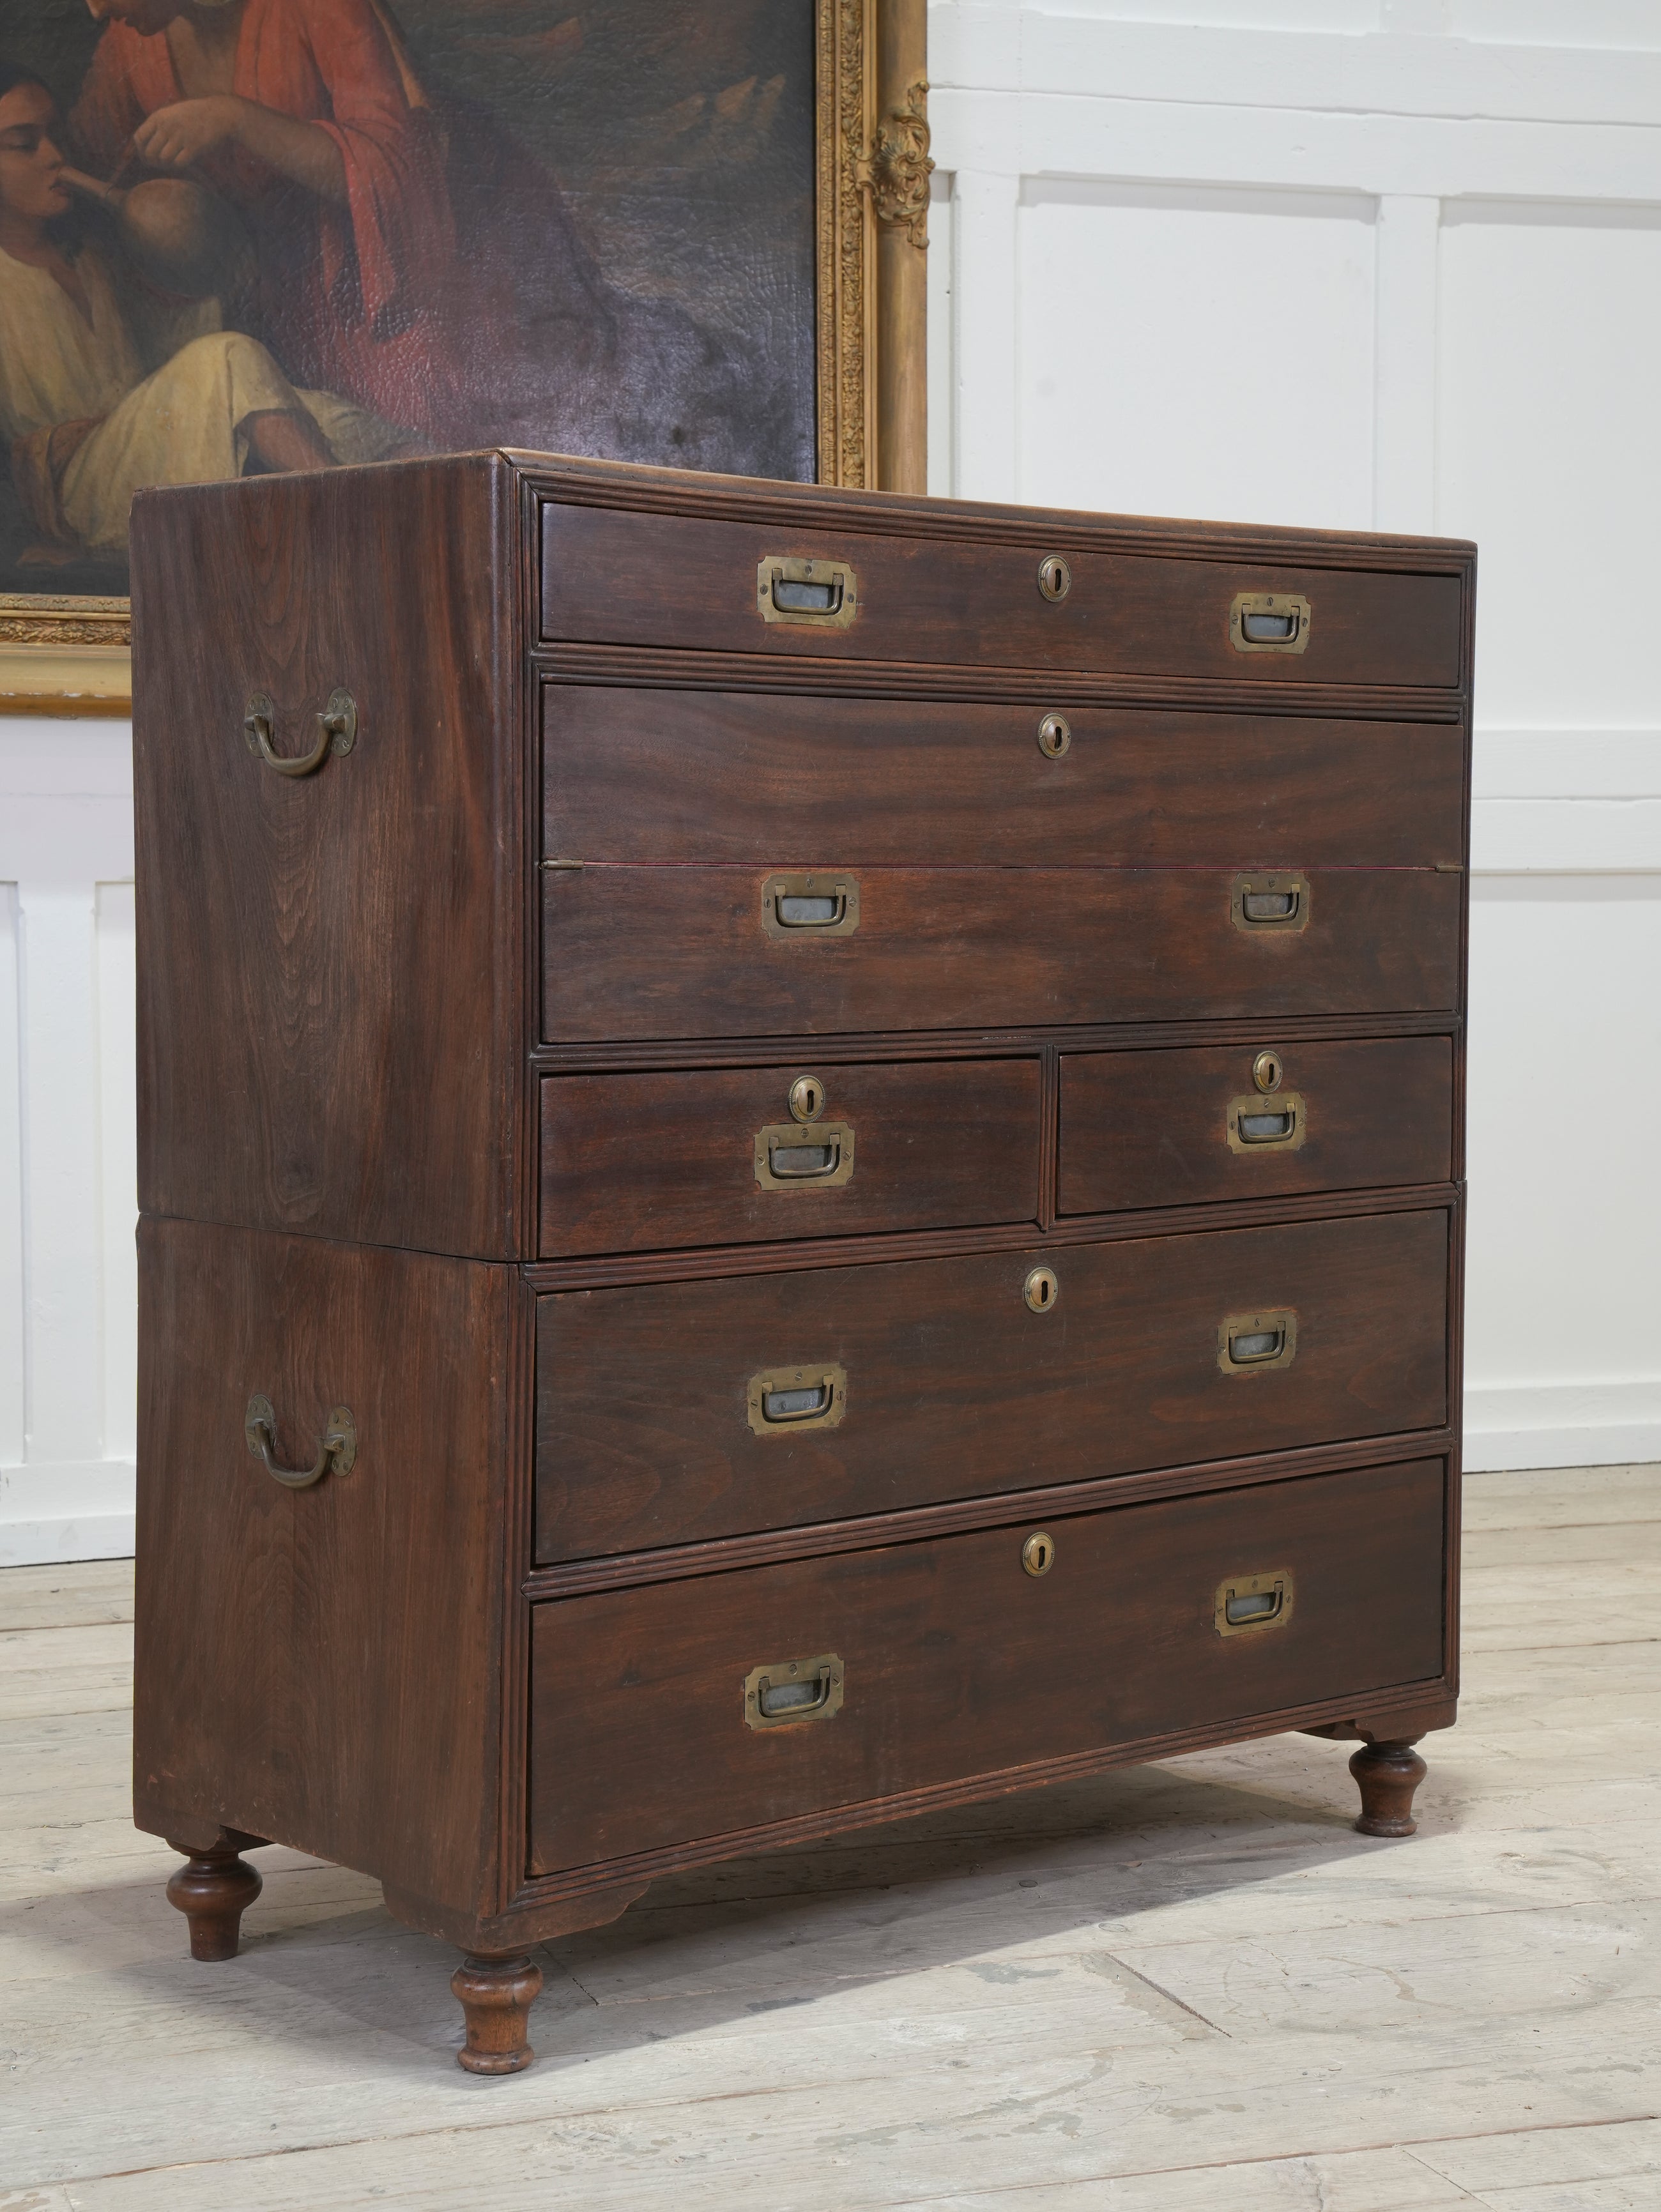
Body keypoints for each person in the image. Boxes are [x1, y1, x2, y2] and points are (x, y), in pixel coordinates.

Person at [0, 63, 408, 558]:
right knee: (230, 357)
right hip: (79, 490)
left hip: (143, 444)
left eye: (55, 136)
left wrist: (213, 271)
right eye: (24, 144)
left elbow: (164, 361)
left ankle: (423, 489)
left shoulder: (91, 259)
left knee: (317, 411)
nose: (55, 156)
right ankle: (362, 528)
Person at [71, 0, 465, 444]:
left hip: (361, 294)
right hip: (245, 312)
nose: (96, 10)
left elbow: (393, 167)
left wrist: (236, 118)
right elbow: (90, 162)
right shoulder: (130, 38)